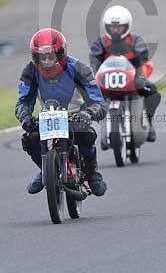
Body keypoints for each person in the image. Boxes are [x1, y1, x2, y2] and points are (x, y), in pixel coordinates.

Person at [16, 28, 107, 196]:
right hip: (47, 117)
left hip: (75, 116)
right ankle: (45, 170)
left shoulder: (80, 69)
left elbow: (98, 101)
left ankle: (92, 173)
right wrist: (25, 117)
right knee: (30, 139)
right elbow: (23, 101)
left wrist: (87, 113)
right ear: (35, 57)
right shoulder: (30, 71)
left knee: (86, 134)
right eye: (42, 58)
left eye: (51, 57)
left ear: (61, 53)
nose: (47, 62)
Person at [90, 5, 161, 144]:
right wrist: (93, 81)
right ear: (106, 27)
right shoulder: (100, 42)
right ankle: (105, 128)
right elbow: (94, 64)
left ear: (127, 26)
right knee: (90, 97)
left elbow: (141, 60)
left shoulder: (136, 40)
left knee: (152, 91)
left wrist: (140, 78)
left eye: (119, 27)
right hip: (108, 81)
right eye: (112, 27)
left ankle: (149, 122)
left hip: (132, 79)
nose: (115, 30)